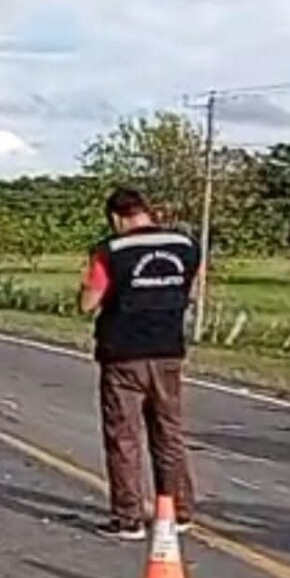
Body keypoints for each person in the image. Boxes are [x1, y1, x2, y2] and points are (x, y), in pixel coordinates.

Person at [79, 188, 201, 540]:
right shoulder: (186, 245)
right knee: (169, 433)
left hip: (123, 355)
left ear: (116, 218)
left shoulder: (111, 250)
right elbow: (192, 290)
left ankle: (128, 517)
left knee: (124, 437)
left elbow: (88, 303)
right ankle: (177, 512)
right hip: (168, 352)